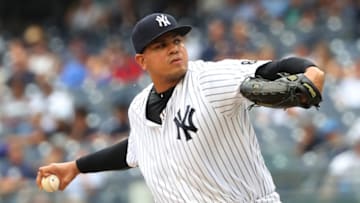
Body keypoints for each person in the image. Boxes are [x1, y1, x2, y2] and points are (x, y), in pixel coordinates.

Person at [36, 13, 325, 203]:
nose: (174, 48)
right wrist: (75, 167)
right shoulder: (139, 107)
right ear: (141, 61)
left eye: (177, 41)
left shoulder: (209, 79)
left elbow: (273, 68)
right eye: (161, 45)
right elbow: (136, 148)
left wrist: (310, 71)